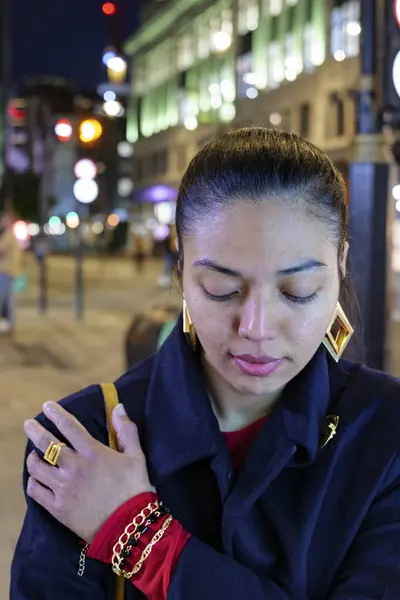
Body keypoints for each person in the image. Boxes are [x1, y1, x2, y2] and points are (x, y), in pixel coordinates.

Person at [11, 128, 400, 599]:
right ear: (181, 271)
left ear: (339, 265)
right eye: (222, 289)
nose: (256, 327)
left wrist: (141, 539)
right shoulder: (86, 442)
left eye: (297, 292)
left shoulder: (385, 430)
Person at [0, 212, 22, 334]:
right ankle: (8, 323)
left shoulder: (8, 235)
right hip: (7, 271)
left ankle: (8, 323)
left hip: (6, 271)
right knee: (7, 299)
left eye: (3, 220)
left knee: (4, 299)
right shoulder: (10, 235)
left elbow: (1, 249)